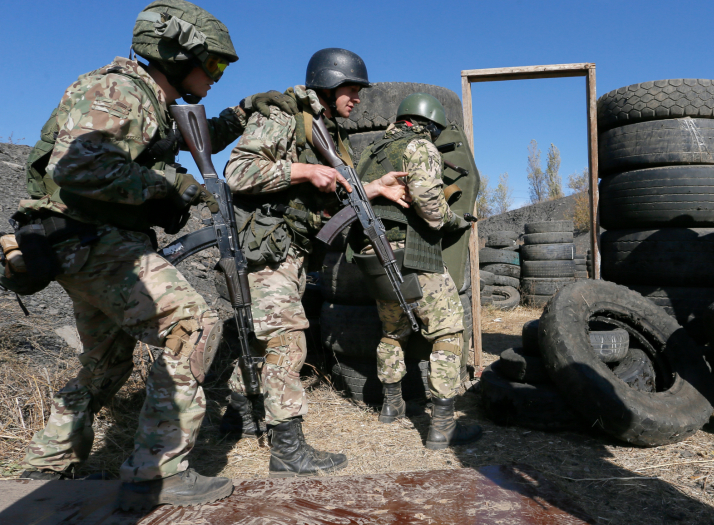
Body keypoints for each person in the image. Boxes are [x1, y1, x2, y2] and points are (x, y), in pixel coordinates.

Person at [13, 0, 294, 510]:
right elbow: (78, 167)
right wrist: (172, 185)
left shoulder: (150, 100)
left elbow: (179, 138)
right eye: (212, 65)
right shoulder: (120, 89)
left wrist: (243, 111)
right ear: (173, 54)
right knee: (193, 326)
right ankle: (156, 471)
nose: (216, 76)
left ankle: (43, 467)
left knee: (106, 362)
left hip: (84, 246)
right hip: (94, 241)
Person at [221, 48, 410, 476]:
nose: (358, 99)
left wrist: (373, 187)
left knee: (261, 341)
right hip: (268, 250)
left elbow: (338, 186)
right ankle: (288, 449)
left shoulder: (323, 130)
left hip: (288, 250)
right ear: (327, 82)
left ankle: (243, 418)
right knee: (289, 342)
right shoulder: (285, 116)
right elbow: (238, 171)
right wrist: (303, 171)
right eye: (352, 88)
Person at [351, 93, 481, 450]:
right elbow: (430, 207)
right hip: (413, 253)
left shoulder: (371, 153)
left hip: (373, 253)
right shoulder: (420, 146)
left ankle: (391, 407)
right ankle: (442, 426)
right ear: (430, 125)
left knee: (394, 330)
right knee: (448, 331)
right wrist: (456, 222)